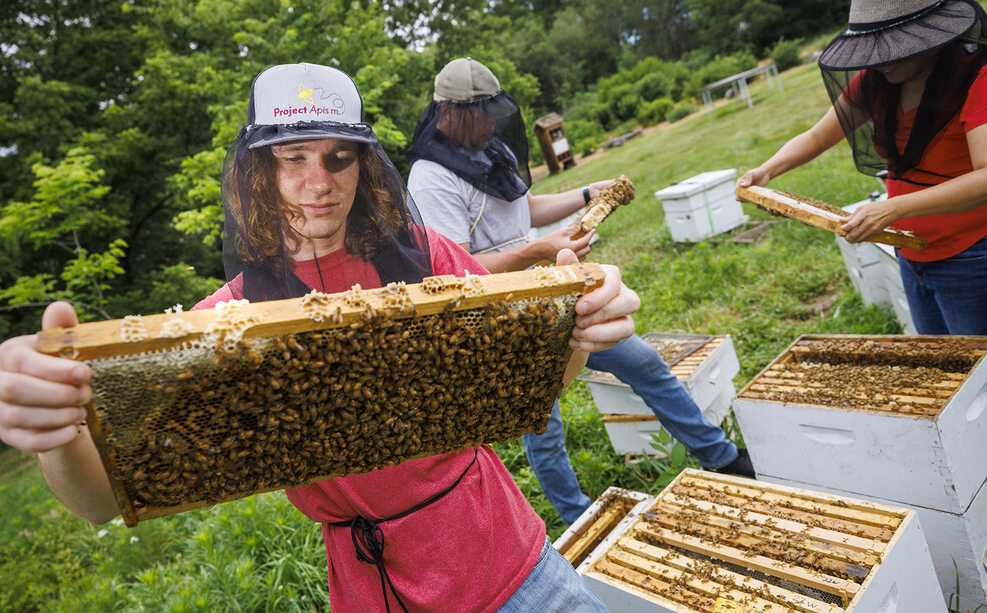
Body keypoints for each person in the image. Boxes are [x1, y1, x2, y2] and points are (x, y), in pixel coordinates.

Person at [0, 63, 644, 613]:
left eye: (337, 156)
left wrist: (577, 332)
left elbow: (529, 389)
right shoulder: (227, 318)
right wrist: (57, 429)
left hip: (510, 561)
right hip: (374, 587)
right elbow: (101, 500)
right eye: (291, 157)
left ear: (363, 161)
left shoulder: (426, 256)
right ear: (259, 170)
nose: (316, 182)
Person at [406, 57, 754, 525]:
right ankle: (580, 518)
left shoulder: (491, 148)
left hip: (551, 293)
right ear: (446, 111)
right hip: (498, 316)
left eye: (494, 112)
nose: (491, 122)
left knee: (643, 362)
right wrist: (540, 250)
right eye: (480, 114)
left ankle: (722, 456)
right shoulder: (431, 177)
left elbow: (527, 207)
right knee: (543, 421)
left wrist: (591, 193)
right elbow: (460, 272)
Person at [738, 0, 987, 335]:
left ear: (923, 37)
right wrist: (766, 171)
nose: (877, 59)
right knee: (945, 371)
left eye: (888, 47)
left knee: (979, 378)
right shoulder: (878, 80)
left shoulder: (978, 78)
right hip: (911, 252)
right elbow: (816, 137)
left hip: (970, 255)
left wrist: (892, 208)